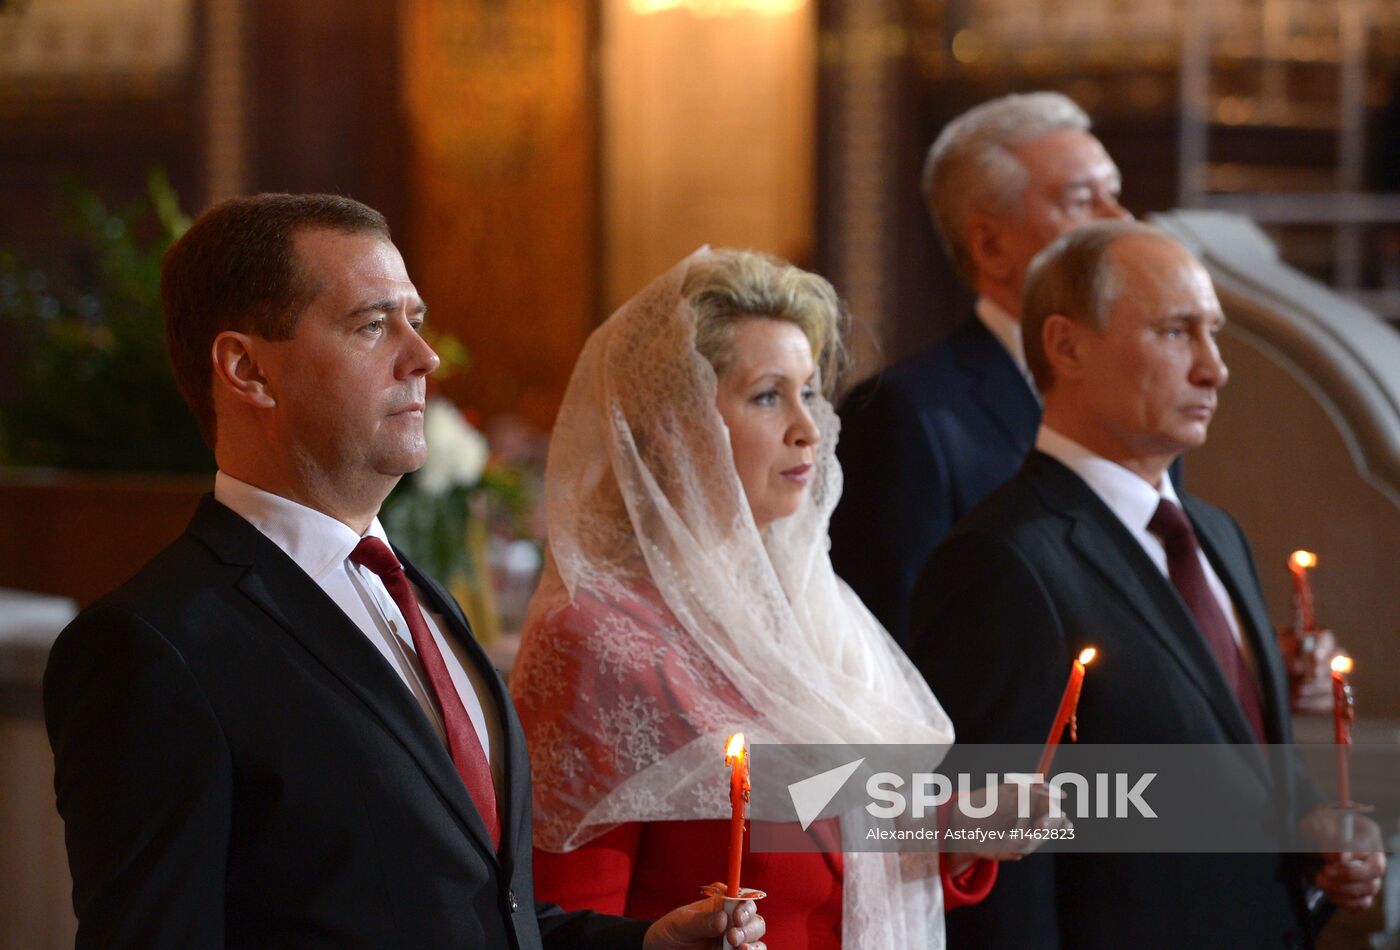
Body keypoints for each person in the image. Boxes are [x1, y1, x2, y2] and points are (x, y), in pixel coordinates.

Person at [42, 194, 765, 950]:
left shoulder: (416, 593)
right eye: (371, 325)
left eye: (414, 320)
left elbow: (487, 915)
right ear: (247, 368)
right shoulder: (153, 645)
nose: (423, 357)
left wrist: (647, 946)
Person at [908, 220, 1385, 948]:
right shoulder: (1001, 560)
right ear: (1067, 346)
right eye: (1175, 332)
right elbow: (1003, 871)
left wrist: (1317, 833)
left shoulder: (1217, 532)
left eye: (1214, 333)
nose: (1214, 368)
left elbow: (1238, 762)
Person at [510, 248, 1003, 949]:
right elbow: (558, 920)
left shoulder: (811, 608)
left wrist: (954, 840)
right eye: (768, 395)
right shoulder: (594, 636)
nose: (808, 428)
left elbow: (839, 857)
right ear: (676, 424)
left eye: (809, 392)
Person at [830, 92, 1129, 647]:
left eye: (1114, 195)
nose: (1119, 221)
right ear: (990, 245)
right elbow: (893, 651)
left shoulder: (1133, 395)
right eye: (1083, 199)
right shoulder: (906, 415)